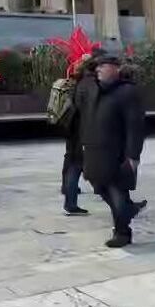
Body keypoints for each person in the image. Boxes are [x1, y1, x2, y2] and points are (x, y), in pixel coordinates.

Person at [81, 58, 147, 248]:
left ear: (116, 69)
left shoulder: (127, 92)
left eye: (103, 66)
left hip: (116, 153)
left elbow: (135, 127)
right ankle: (128, 211)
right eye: (98, 66)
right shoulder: (95, 89)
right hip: (94, 150)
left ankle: (122, 232)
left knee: (117, 192)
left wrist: (133, 155)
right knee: (100, 187)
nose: (99, 69)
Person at [61, 53, 96, 216]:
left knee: (74, 165)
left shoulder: (77, 80)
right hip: (84, 131)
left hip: (74, 130)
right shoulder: (89, 84)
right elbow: (88, 109)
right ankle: (71, 203)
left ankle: (70, 202)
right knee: (77, 166)